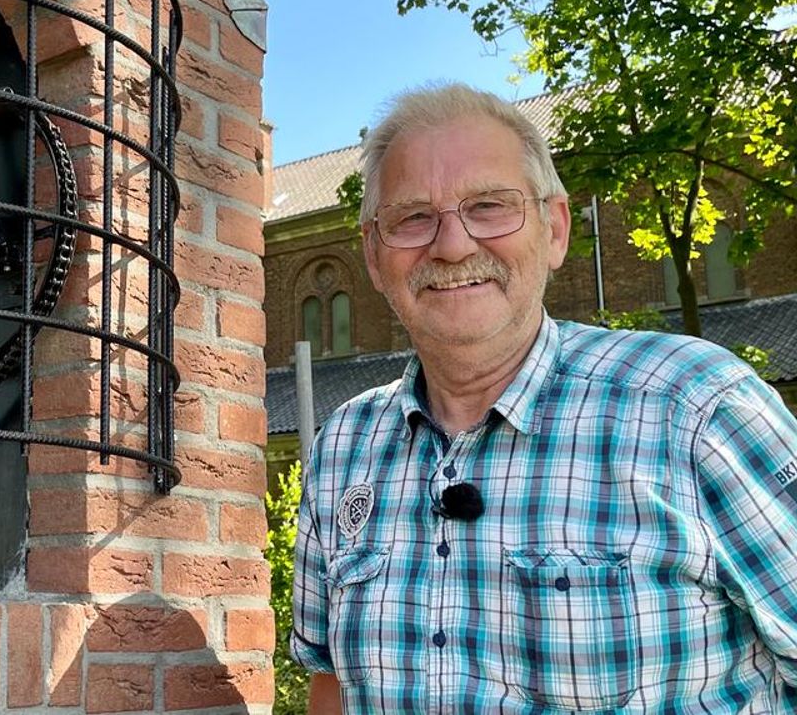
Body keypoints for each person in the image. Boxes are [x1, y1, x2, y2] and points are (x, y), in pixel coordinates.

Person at [290, 83, 797, 713]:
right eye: (412, 217)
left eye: (490, 206)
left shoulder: (696, 408)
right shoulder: (341, 446)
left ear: (555, 230)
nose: (452, 245)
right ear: (372, 255)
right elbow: (330, 679)